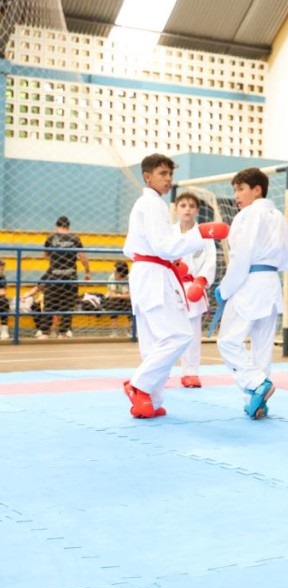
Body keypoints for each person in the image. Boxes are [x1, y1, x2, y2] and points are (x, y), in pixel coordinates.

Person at [122, 153, 229, 419]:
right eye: (162, 174)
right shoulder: (153, 204)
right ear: (147, 176)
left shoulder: (146, 205)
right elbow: (163, 246)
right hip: (153, 275)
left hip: (147, 272)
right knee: (179, 334)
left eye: (170, 174)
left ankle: (151, 401)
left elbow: (135, 247)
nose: (169, 179)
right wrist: (200, 234)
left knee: (153, 343)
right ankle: (139, 386)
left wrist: (176, 264)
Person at [214, 167, 288, 419]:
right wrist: (273, 266)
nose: (237, 196)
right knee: (261, 348)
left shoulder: (248, 215)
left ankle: (257, 384)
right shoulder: (278, 216)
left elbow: (242, 255)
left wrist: (225, 288)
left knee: (228, 340)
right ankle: (257, 402)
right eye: (235, 190)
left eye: (240, 189)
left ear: (257, 190)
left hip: (248, 283)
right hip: (271, 283)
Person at [172, 191, 217, 388]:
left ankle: (190, 372)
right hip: (172, 286)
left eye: (191, 205)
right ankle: (158, 371)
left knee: (192, 331)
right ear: (176, 209)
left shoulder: (205, 235)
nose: (187, 209)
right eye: (183, 205)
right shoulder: (168, 234)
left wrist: (201, 281)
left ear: (197, 210)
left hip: (194, 287)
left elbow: (210, 261)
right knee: (167, 331)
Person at [43, 215, 90, 338]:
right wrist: (87, 272)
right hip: (70, 275)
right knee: (68, 305)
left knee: (49, 304)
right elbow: (83, 257)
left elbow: (45, 255)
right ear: (68, 226)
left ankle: (45, 332)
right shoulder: (74, 238)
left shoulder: (51, 237)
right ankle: (63, 333)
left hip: (54, 275)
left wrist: (55, 258)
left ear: (56, 225)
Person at [103, 261, 132, 337]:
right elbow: (112, 295)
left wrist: (119, 295)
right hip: (113, 300)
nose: (114, 272)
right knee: (113, 303)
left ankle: (129, 330)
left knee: (132, 304)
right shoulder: (112, 277)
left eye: (116, 272)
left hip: (124, 300)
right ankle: (114, 331)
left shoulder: (129, 278)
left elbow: (130, 295)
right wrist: (122, 296)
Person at [0, 259, 10, 340]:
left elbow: (2, 292)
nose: (2, 269)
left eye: (3, 268)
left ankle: (4, 329)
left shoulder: (2, 277)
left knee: (4, 301)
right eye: (1, 267)